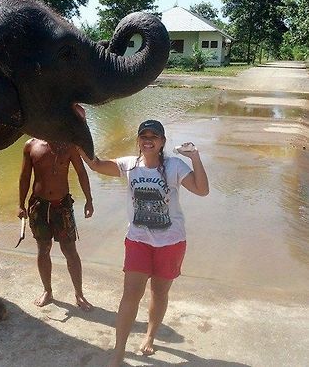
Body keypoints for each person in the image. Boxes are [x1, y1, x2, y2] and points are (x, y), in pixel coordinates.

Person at [78, 119, 209, 366]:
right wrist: (81, 128)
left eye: (154, 137)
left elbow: (202, 190)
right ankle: (119, 351)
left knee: (159, 293)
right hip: (138, 240)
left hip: (171, 242)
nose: (148, 140)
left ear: (162, 142)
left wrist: (195, 157)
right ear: (138, 140)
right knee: (130, 295)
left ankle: (150, 335)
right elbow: (95, 164)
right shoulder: (129, 165)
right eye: (143, 136)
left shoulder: (175, 166)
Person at [18, 138, 94, 311]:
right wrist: (20, 204)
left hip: (62, 207)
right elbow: (25, 176)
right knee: (43, 249)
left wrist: (89, 200)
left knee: (70, 250)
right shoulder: (31, 145)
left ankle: (79, 294)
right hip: (39, 205)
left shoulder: (69, 145)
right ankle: (47, 290)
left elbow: (81, 172)